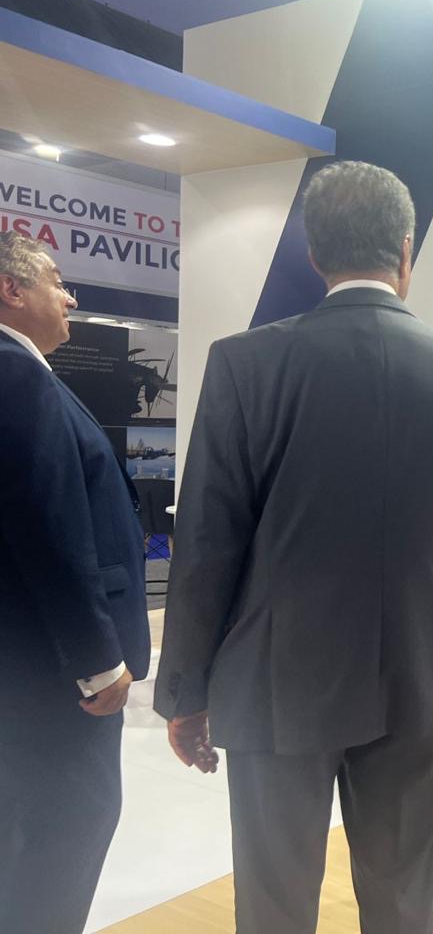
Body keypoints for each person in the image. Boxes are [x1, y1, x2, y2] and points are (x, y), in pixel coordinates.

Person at [153, 161, 433, 934]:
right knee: (403, 897)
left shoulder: (244, 364)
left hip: (275, 680)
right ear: (406, 251)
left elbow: (207, 543)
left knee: (274, 904)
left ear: (315, 255)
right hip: (420, 674)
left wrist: (186, 689)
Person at [0, 233, 149, 934]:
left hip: (23, 665)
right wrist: (97, 660)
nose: (70, 296)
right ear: (11, 290)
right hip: (53, 673)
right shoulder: (18, 377)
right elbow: (49, 528)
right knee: (69, 823)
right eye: (57, 281)